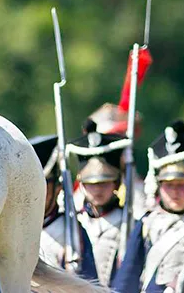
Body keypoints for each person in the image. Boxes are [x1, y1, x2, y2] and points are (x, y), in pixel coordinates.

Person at [0, 135, 97, 292]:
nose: (32, 194)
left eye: (42, 185)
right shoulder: (8, 233)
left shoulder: (73, 233)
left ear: (58, 188)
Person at [112, 120, 184, 293]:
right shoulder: (148, 222)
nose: (174, 192)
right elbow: (127, 277)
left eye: (182, 185)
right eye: (168, 185)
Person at [66, 121, 129, 287]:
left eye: (104, 183)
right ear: (82, 184)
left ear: (116, 183)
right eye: (91, 184)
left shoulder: (129, 222)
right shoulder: (73, 222)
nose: (98, 190)